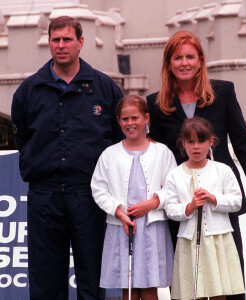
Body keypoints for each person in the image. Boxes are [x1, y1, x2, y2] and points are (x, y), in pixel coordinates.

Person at [146, 30, 246, 300]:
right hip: (181, 200)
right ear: (168, 63)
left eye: (190, 56)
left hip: (219, 195)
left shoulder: (223, 92)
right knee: (186, 280)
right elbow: (157, 157)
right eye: (177, 57)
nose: (184, 63)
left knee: (228, 275)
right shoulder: (156, 104)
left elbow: (242, 140)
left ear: (200, 60)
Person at [11, 16, 123, 300]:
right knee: (46, 280)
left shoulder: (105, 88)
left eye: (67, 39)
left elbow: (118, 141)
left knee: (92, 277)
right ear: (49, 43)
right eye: (55, 40)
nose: (61, 46)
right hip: (44, 195)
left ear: (80, 42)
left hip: (90, 195)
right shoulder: (28, 91)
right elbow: (21, 137)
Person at [91, 95, 177, 300]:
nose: (130, 123)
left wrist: (152, 203)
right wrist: (119, 212)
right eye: (125, 119)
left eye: (135, 118)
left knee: (149, 287)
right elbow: (98, 189)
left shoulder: (162, 152)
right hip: (121, 227)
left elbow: (174, 188)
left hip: (151, 226)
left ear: (146, 118)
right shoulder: (109, 154)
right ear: (119, 121)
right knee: (127, 286)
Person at [164, 117, 245, 299]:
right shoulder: (174, 175)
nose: (196, 147)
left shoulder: (222, 170)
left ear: (211, 141)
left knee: (218, 291)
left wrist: (213, 198)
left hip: (218, 239)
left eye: (201, 141)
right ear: (183, 143)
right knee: (194, 292)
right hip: (189, 241)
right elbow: (170, 209)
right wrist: (189, 207)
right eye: (190, 141)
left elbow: (236, 201)